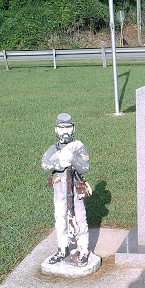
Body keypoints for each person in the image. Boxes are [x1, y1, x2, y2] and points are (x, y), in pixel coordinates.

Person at [42, 113, 90, 267]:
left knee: (80, 218)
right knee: (60, 217)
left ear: (73, 128)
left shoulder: (78, 147)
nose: (65, 132)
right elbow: (45, 165)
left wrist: (72, 159)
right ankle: (62, 249)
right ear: (56, 130)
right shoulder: (53, 149)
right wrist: (59, 164)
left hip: (75, 188)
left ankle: (83, 250)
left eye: (68, 128)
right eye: (62, 128)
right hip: (60, 189)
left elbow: (85, 167)